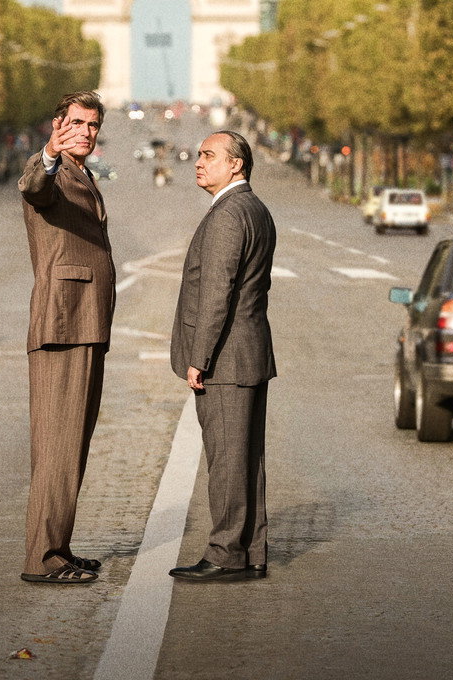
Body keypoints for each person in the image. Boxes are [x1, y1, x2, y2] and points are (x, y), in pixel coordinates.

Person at [169, 130, 276, 582]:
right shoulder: (255, 208)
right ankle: (251, 551)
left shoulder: (228, 215)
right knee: (246, 459)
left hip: (227, 358)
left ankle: (225, 554)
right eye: (199, 155)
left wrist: (200, 357)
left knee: (227, 460)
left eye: (209, 155)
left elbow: (217, 293)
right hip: (249, 352)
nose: (199, 162)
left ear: (236, 164)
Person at [17, 90, 115, 584]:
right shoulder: (51, 170)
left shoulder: (83, 173)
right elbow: (33, 187)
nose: (86, 132)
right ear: (58, 125)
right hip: (64, 322)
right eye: (77, 122)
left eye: (93, 125)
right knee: (57, 446)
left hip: (84, 322)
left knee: (70, 445)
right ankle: (43, 559)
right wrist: (49, 154)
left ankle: (59, 546)